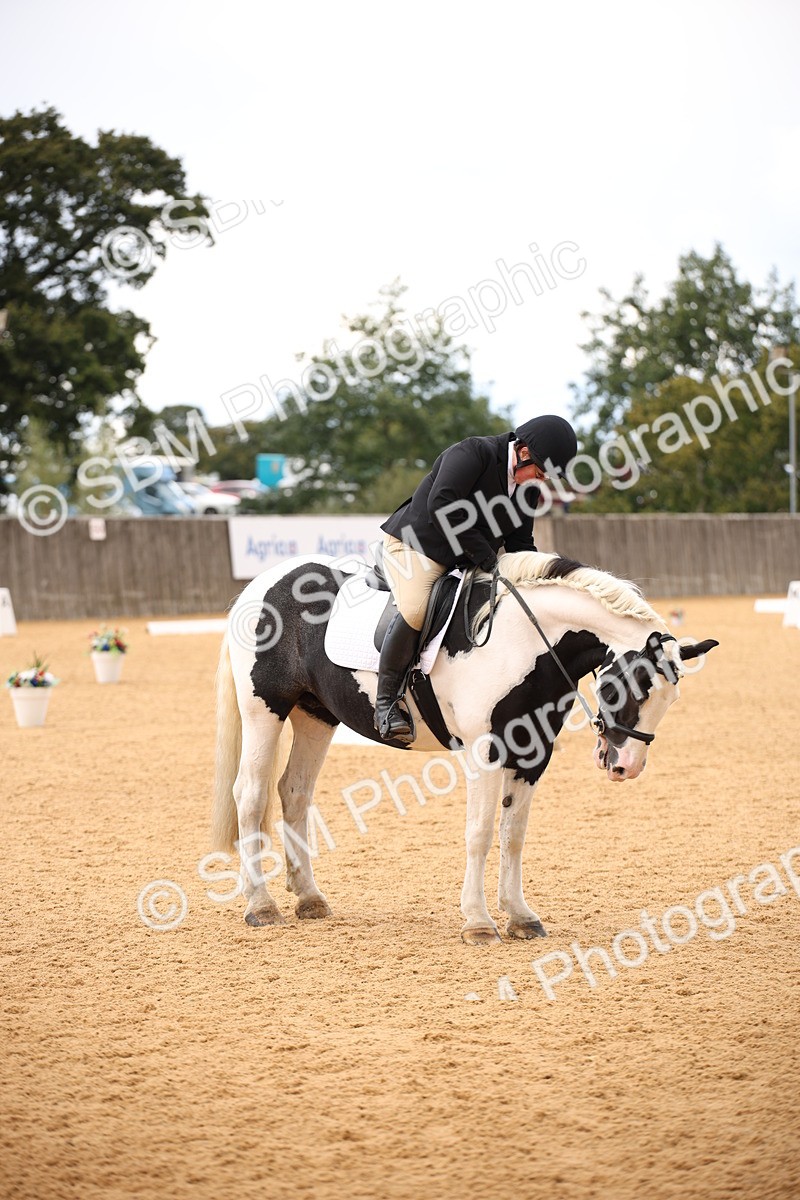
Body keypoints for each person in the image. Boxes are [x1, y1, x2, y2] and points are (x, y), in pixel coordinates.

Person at [374, 414, 578, 743]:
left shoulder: (528, 490)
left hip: (467, 556)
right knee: (415, 610)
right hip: (417, 548)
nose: (539, 482)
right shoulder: (474, 453)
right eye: (540, 473)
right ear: (524, 453)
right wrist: (485, 558)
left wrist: (538, 577)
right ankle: (385, 704)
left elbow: (520, 544)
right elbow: (441, 503)